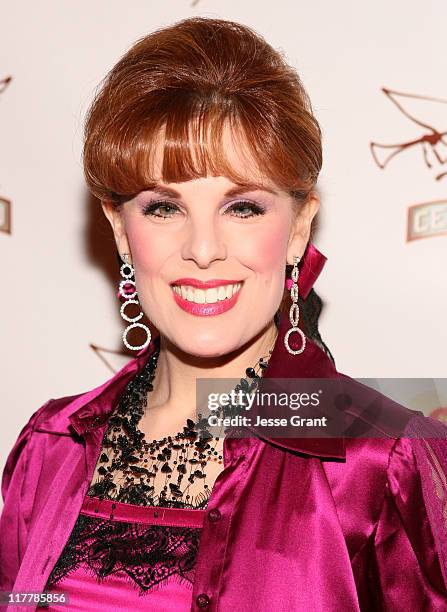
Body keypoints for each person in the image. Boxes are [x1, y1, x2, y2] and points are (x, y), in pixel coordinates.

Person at [1, 16, 447, 612]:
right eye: (163, 207)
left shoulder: (382, 461)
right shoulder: (49, 449)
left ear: (298, 229)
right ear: (120, 229)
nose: (204, 250)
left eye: (242, 208)